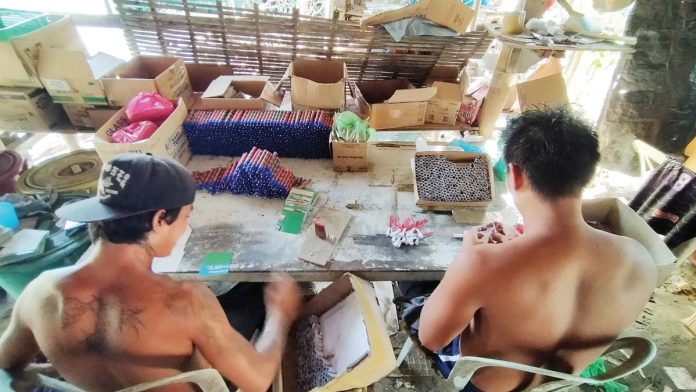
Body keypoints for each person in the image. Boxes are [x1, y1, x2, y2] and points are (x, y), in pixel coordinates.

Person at [0, 153, 301, 392]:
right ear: (159, 220)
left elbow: (7, 364)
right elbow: (258, 379)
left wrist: (61, 362)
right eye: (185, 218)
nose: (186, 228)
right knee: (253, 304)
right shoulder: (184, 300)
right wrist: (279, 312)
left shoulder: (39, 293)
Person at [410, 109, 658, 391]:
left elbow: (431, 339)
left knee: (411, 286)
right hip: (557, 383)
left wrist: (467, 258)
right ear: (587, 174)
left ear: (514, 174)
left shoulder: (480, 262)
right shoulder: (641, 260)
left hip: (482, 384)